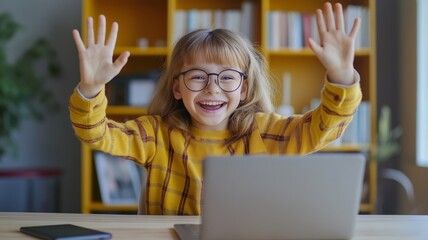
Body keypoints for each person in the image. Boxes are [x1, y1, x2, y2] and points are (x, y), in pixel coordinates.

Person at [69, 2, 362, 215]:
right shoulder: (156, 134)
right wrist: (92, 88)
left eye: (227, 78)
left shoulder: (264, 132)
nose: (212, 88)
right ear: (177, 87)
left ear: (244, 88)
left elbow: (324, 128)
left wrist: (342, 77)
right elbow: (95, 134)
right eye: (197, 76)